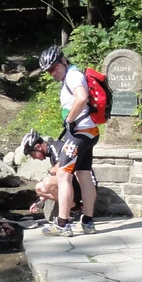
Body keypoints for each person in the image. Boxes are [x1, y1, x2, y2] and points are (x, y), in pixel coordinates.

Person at [37, 46, 98, 236]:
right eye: (48, 70)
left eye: (54, 67)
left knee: (64, 175)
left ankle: (62, 224)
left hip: (79, 132)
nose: (52, 72)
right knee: (84, 175)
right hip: (89, 131)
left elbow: (81, 98)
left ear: (63, 61)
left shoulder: (72, 76)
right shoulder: (71, 75)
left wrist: (70, 120)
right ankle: (88, 222)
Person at [18, 129, 93, 220]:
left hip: (85, 186)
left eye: (32, 154)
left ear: (38, 147)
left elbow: (61, 167)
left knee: (48, 182)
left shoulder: (56, 147)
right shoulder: (52, 151)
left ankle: (76, 208)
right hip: (74, 183)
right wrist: (39, 202)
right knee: (39, 188)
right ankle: (76, 207)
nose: (33, 158)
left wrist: (51, 171)